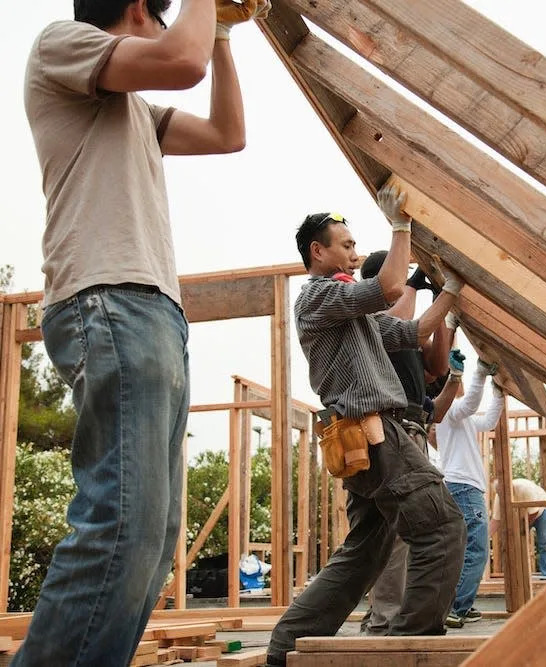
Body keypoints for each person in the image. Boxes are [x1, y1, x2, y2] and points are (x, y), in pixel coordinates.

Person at [17, 1, 257, 664]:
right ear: (138, 10)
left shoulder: (133, 115)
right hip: (108, 299)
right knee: (119, 527)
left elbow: (227, 133)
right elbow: (181, 60)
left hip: (150, 312)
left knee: (149, 539)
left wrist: (228, 33)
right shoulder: (62, 45)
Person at [266, 185, 467, 666]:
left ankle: (285, 649)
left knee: (366, 553)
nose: (355, 256)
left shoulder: (349, 314)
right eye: (347, 246)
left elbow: (413, 331)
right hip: (376, 435)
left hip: (369, 439)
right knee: (441, 530)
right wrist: (401, 226)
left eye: (356, 247)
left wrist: (453, 290)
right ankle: (408, 648)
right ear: (318, 251)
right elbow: (391, 287)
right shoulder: (317, 296)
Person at [356, 253, 454, 636]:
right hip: (389, 428)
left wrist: (441, 303)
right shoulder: (370, 320)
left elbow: (437, 366)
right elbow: (397, 318)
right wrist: (414, 283)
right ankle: (384, 620)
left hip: (409, 427)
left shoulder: (403, 326)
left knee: (396, 532)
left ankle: (384, 617)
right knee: (396, 532)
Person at [434, 358, 503, 628]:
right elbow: (472, 403)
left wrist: (498, 392)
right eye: (456, 382)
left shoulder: (460, 418)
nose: (460, 386)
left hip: (464, 488)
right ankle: (455, 608)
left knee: (465, 550)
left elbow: (487, 421)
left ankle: (463, 601)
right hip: (464, 488)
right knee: (476, 549)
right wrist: (481, 372)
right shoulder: (449, 411)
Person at [490, 478, 546, 578]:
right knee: (515, 544)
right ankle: (519, 575)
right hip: (523, 516)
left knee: (545, 542)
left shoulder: (524, 488)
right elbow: (496, 520)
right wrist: (485, 537)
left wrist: (521, 527)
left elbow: (534, 512)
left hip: (542, 510)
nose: (502, 496)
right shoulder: (499, 498)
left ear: (510, 488)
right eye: (500, 494)